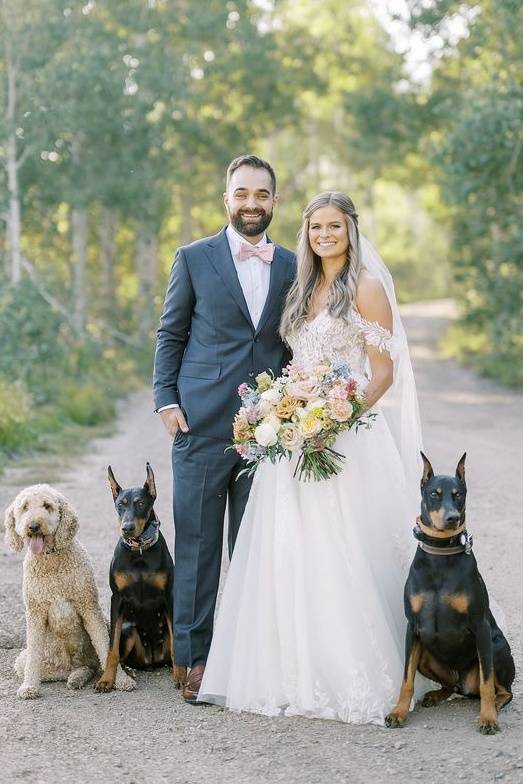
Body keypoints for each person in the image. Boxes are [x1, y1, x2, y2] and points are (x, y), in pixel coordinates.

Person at [198, 191, 427, 724]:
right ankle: (288, 670)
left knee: (342, 547)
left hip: (343, 436)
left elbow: (383, 372)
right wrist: (279, 411)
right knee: (290, 550)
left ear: (351, 230)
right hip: (294, 439)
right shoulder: (303, 288)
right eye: (316, 227)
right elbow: (297, 361)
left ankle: (359, 667)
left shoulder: (366, 288)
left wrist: (333, 421)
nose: (325, 235)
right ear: (307, 234)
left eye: (335, 226)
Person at [153, 155, 295, 703]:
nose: (251, 203)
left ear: (274, 201)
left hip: (272, 432)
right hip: (202, 424)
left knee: (260, 547)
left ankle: (254, 657)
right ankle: (194, 660)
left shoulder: (291, 264)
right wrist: (165, 399)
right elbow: (170, 333)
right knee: (196, 547)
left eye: (261, 194)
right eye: (242, 193)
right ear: (226, 198)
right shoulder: (192, 258)